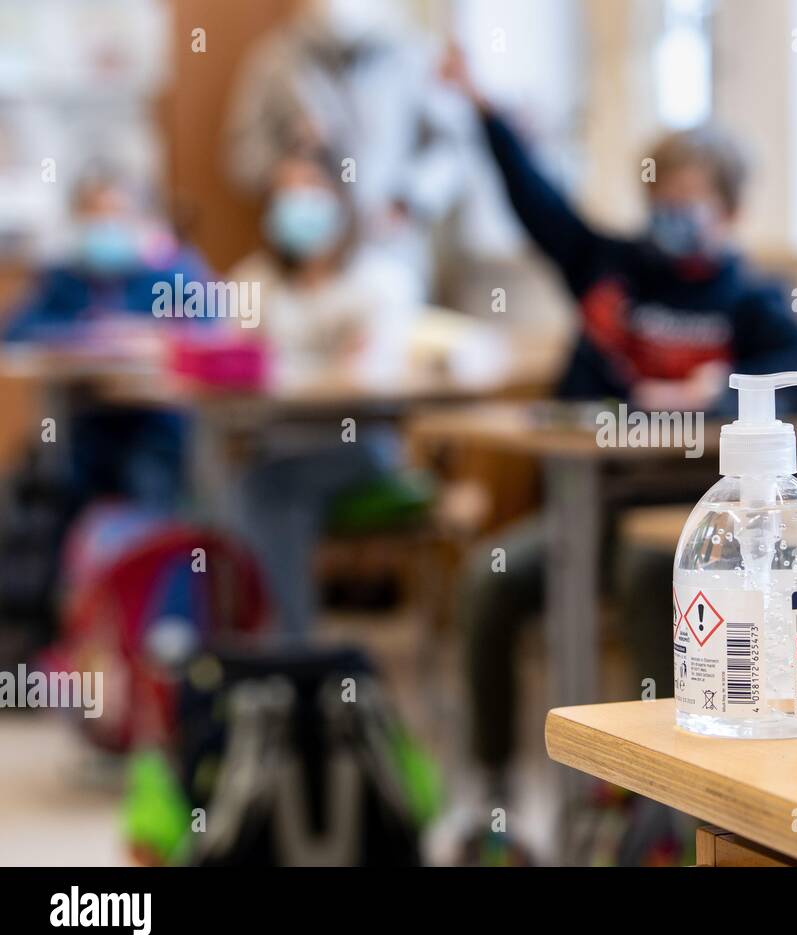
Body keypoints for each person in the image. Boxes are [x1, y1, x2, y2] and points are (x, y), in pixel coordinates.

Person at [439, 47, 797, 861]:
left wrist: (717, 388)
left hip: (691, 524)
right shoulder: (610, 271)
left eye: (691, 203)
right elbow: (535, 200)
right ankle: (494, 791)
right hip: (583, 507)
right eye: (660, 200)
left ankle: (658, 800)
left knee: (647, 573)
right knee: (492, 578)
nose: (672, 218)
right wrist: (484, 110)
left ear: (730, 210)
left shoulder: (751, 300)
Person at [229, 151, 420, 644]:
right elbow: (233, 359)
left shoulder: (379, 278)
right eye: (285, 193)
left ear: (340, 197)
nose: (298, 203)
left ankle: (289, 650)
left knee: (262, 492)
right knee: (250, 487)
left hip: (361, 445)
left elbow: (379, 371)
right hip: (280, 445)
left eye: (310, 188)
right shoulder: (254, 280)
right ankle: (280, 645)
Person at [224, 0, 467, 293]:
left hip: (389, 246)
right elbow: (240, 151)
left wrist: (410, 197)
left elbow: (454, 147)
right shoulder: (277, 59)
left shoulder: (415, 56)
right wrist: (280, 172)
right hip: (305, 255)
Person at [3, 170, 214, 507]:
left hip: (157, 423)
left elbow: (213, 330)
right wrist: (81, 337)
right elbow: (14, 332)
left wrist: (155, 337)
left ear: (140, 219)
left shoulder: (172, 272)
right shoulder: (64, 278)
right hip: (86, 425)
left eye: (116, 214)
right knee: (62, 495)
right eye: (94, 216)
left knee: (147, 495)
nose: (105, 225)